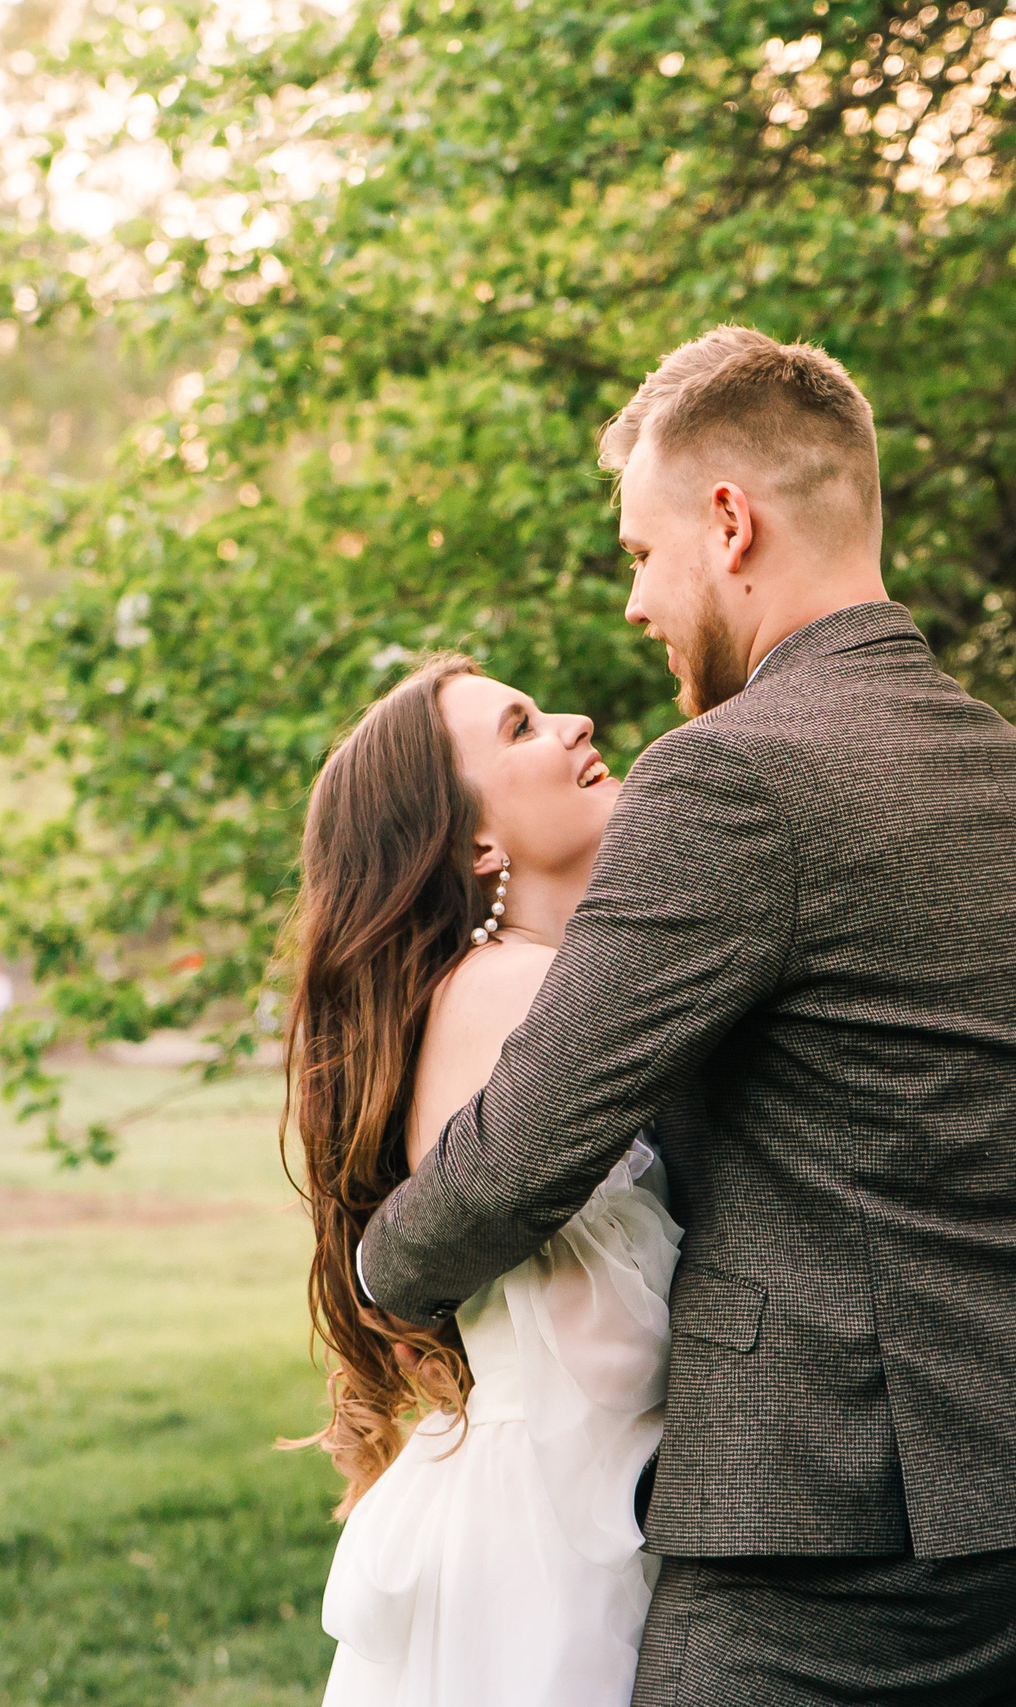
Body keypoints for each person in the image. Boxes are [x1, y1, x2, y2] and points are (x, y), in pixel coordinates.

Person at [353, 327, 1016, 1705]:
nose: (635, 607)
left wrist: (380, 1273)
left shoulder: (729, 777)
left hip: (834, 1536)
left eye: (640, 553)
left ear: (730, 524)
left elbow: (526, 1147)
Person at [289, 654, 676, 1706]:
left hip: (559, 1499)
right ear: (474, 841)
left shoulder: (500, 988)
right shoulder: (522, 991)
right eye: (519, 728)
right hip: (556, 1543)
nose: (576, 720)